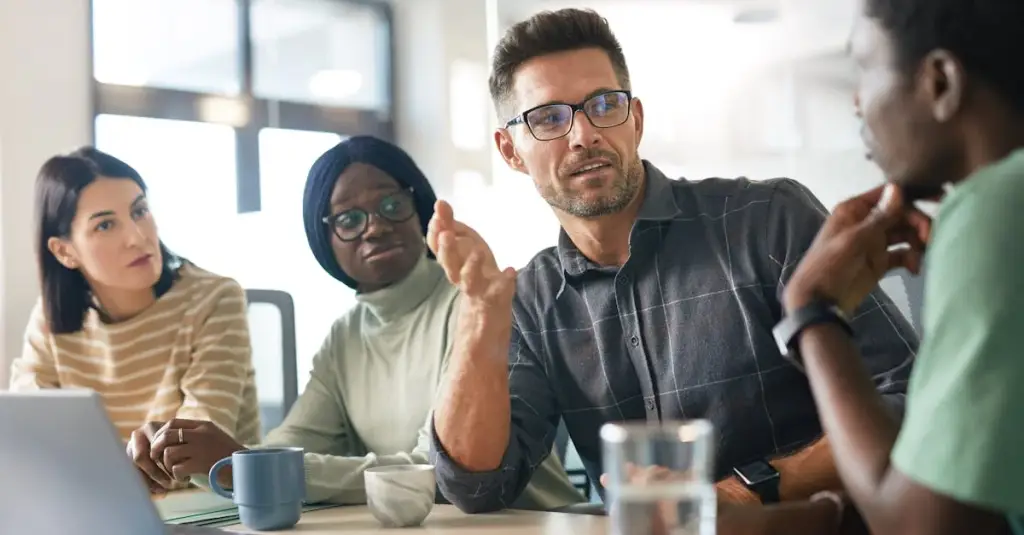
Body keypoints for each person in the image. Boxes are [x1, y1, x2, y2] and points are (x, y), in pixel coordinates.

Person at [425, 7, 919, 515]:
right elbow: (476, 486)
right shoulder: (532, 299)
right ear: (510, 150)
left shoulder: (767, 220)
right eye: (549, 118)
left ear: (634, 120)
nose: (584, 134)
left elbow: (911, 399)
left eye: (603, 105)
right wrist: (481, 314)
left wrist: (749, 491)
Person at [128, 136, 584, 509]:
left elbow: (441, 471)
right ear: (324, 239)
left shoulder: (477, 306)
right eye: (348, 218)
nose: (373, 227)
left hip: (530, 524)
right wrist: (194, 454)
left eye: (390, 206)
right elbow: (292, 445)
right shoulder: (344, 337)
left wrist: (243, 463)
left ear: (419, 208)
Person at [773, 1, 1024, 534]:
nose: (858, 102)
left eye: (865, 67)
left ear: (940, 82)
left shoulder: (995, 208)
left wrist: (811, 314)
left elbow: (922, 527)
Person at [8, 147, 260, 474]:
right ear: (64, 251)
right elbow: (28, 440)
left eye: (139, 211)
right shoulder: (50, 318)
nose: (137, 236)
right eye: (105, 225)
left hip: (207, 511)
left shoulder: (213, 300)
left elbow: (194, 450)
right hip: (100, 510)